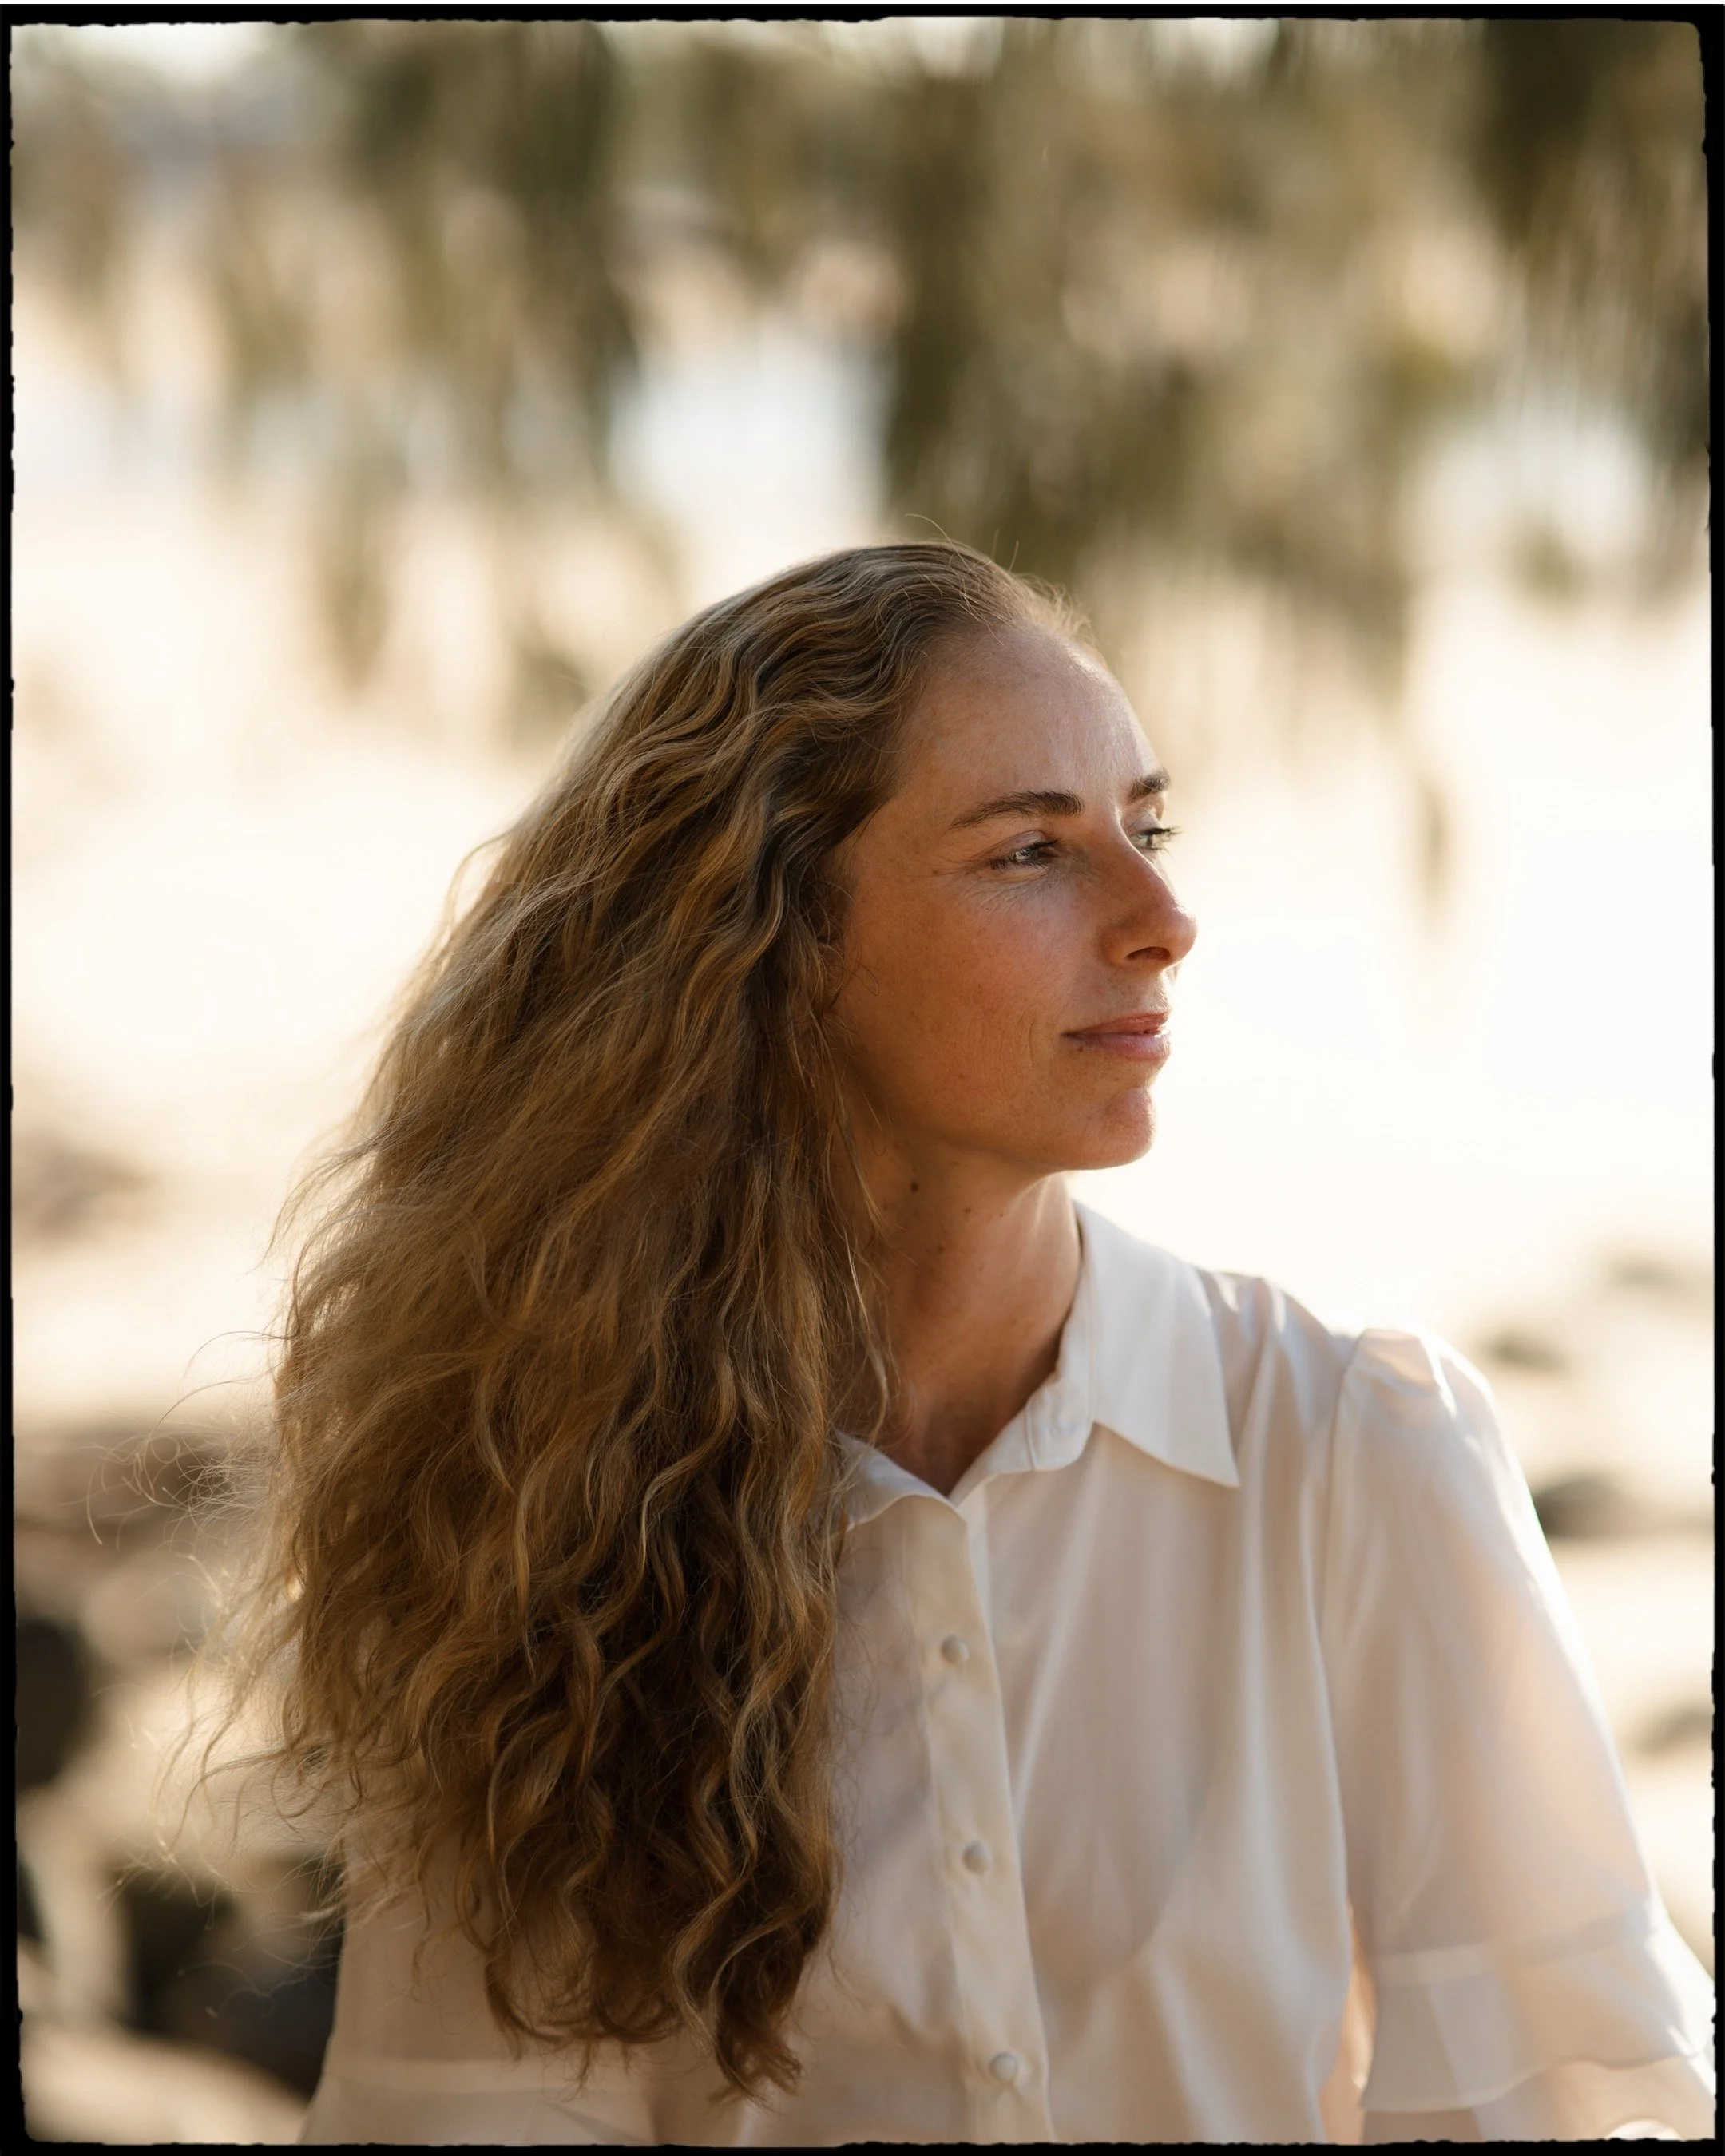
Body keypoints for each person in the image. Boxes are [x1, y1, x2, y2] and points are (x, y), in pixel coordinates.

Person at [240, 543, 1711, 2142]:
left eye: (1148, 829)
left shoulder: (1352, 1452)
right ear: (772, 938)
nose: (1163, 920)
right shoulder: (547, 1510)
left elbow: (1537, 2105)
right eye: (1031, 851)